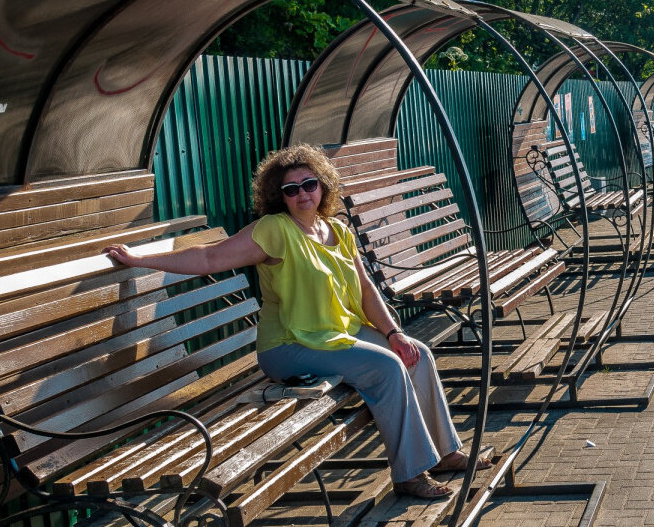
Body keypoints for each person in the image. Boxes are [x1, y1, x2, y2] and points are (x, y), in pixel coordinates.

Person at [105, 145, 488, 499]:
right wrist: (140, 260)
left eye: (310, 184)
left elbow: (368, 291)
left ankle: (443, 452)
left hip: (336, 333)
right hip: (291, 345)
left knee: (414, 352)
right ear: (279, 196)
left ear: (323, 185)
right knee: (386, 366)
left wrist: (394, 332)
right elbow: (209, 259)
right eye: (291, 189)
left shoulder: (337, 230)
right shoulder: (275, 230)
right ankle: (409, 475)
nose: (303, 194)